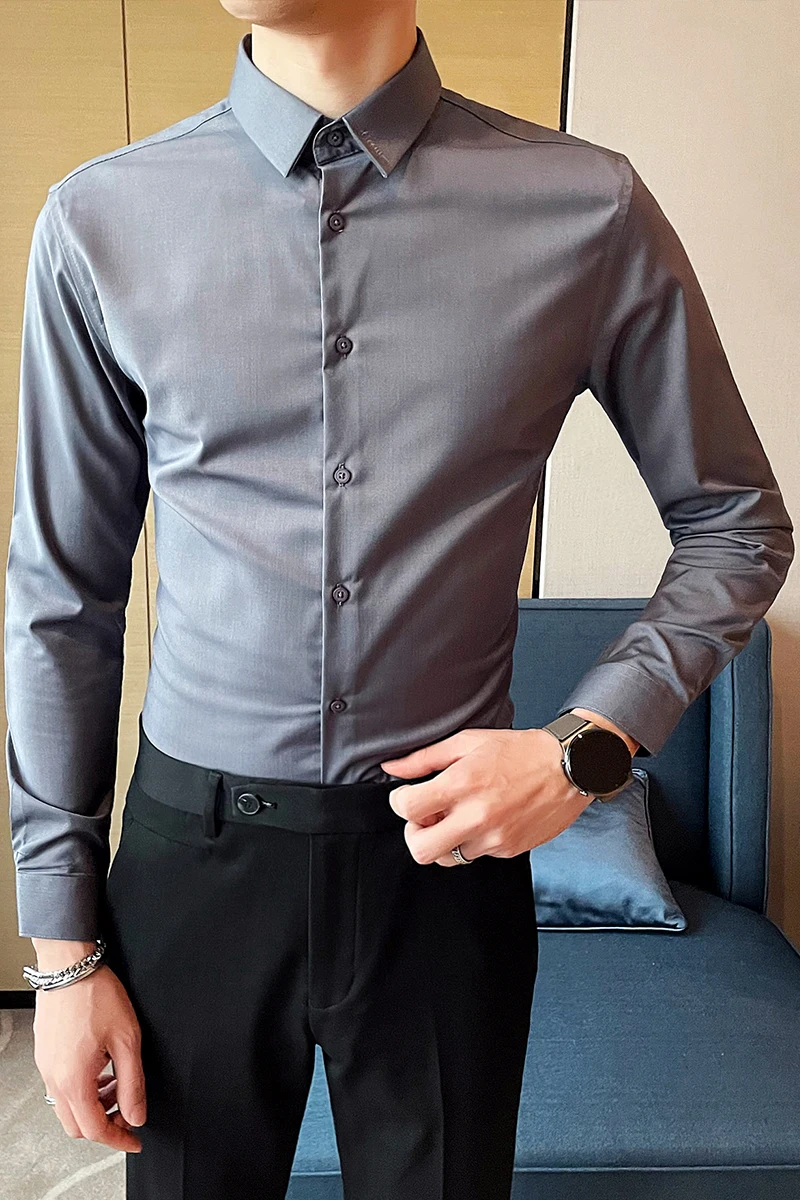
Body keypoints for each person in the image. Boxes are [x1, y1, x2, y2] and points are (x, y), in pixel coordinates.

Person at [5, 2, 793, 1197]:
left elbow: (735, 522)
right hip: (190, 871)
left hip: (443, 879)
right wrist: (62, 952)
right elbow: (62, 598)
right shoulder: (100, 220)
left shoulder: (584, 208)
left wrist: (583, 749)